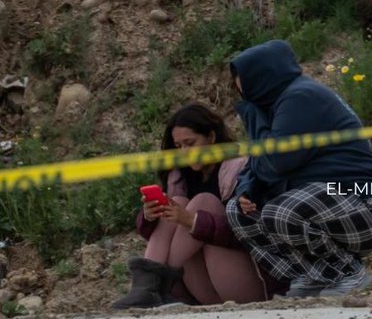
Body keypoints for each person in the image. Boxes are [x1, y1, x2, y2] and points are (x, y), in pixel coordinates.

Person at [226, 39, 372, 298]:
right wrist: (248, 190)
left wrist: (251, 114)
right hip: (331, 202)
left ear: (262, 78)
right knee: (239, 212)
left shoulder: (301, 97)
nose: (241, 93)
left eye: (245, 87)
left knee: (280, 212)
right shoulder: (278, 104)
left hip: (369, 204)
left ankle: (348, 272)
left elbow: (276, 162)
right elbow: (257, 164)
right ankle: (314, 274)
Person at [113, 104, 285, 308]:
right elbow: (162, 232)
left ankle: (159, 284)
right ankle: (146, 287)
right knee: (177, 202)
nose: (185, 152)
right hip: (202, 291)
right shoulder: (181, 178)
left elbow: (255, 232)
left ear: (211, 137)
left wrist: (193, 221)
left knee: (205, 203)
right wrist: (150, 216)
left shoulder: (243, 170)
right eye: (179, 146)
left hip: (248, 282)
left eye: (190, 143)